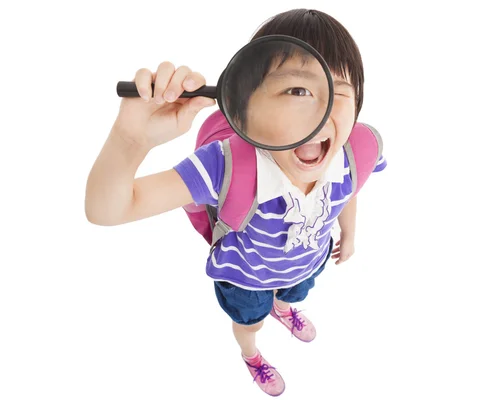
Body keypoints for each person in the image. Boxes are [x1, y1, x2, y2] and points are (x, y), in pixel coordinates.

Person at [85, 8, 387, 397]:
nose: (321, 110)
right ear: (247, 105)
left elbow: (349, 189)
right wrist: (131, 138)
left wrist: (350, 233)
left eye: (340, 91)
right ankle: (251, 353)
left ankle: (282, 306)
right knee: (250, 321)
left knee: (293, 291)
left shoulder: (357, 150)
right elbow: (106, 210)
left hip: (308, 260)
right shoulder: (224, 164)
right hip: (246, 277)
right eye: (298, 90)